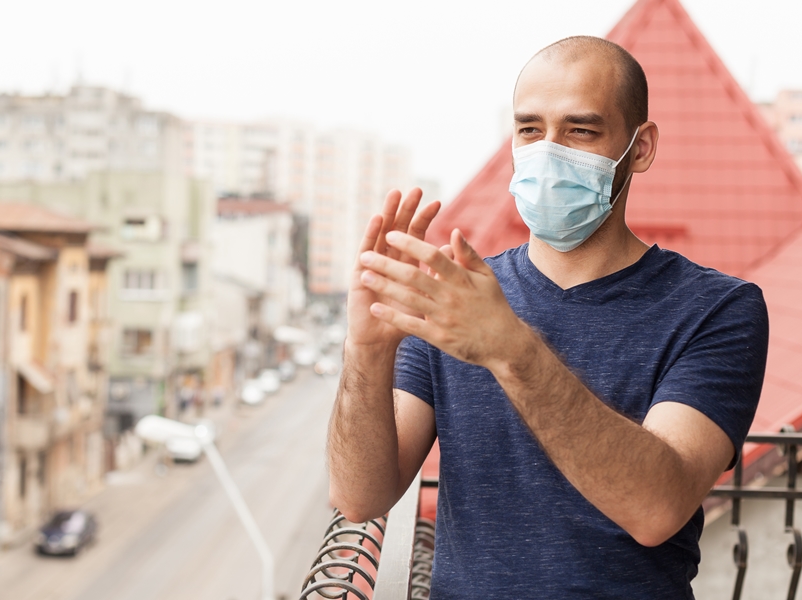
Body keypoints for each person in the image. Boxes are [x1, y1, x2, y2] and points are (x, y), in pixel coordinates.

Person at [326, 36, 768, 599]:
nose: (548, 150)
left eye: (580, 130)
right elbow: (359, 497)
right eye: (530, 130)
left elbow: (657, 507)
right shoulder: (458, 296)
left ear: (641, 147)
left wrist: (512, 350)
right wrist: (365, 351)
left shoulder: (717, 309)